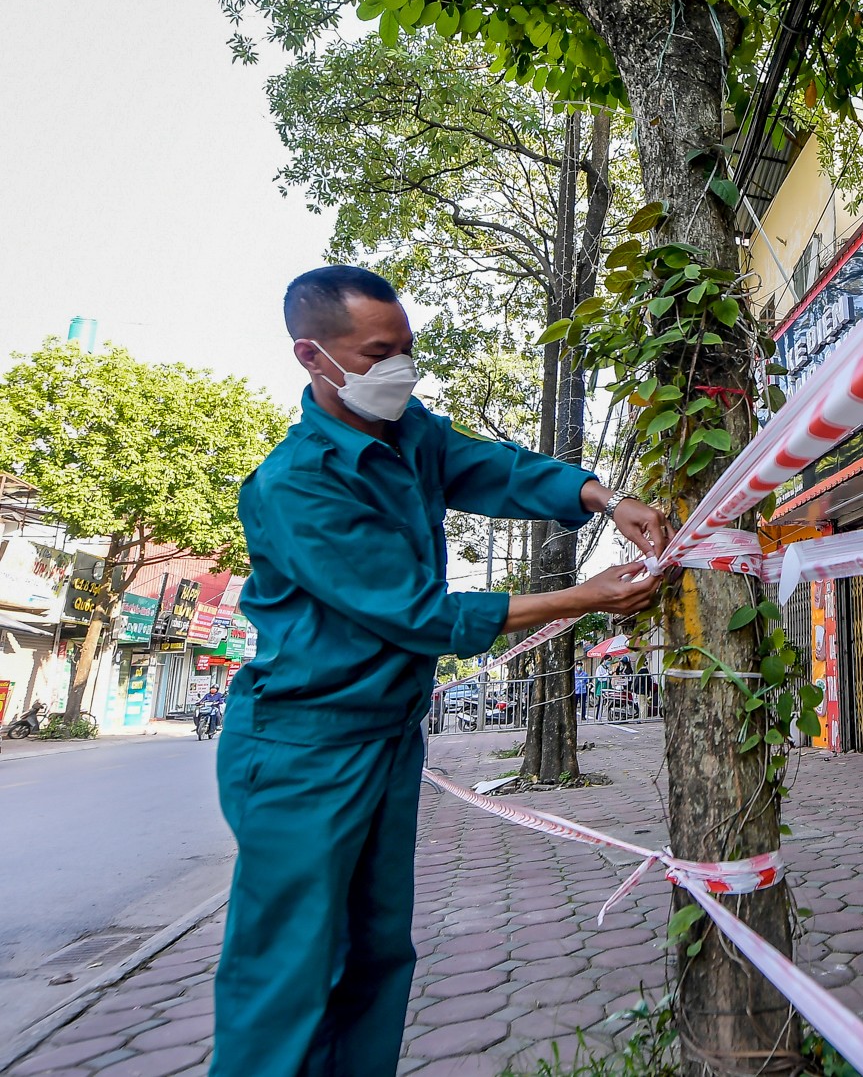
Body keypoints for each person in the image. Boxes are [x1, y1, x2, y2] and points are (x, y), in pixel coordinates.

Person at [211, 266, 669, 1077]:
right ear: (312, 356)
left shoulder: (410, 432)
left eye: (407, 348)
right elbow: (417, 614)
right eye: (379, 352)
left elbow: (490, 466)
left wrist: (601, 496)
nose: (401, 369)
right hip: (302, 750)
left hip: (388, 739)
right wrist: (584, 597)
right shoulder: (296, 487)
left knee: (380, 951)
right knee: (286, 974)